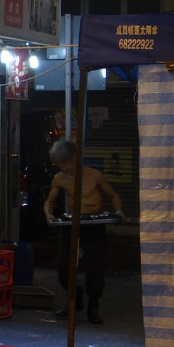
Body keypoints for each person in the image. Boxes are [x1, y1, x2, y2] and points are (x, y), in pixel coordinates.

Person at [44, 139, 122, 325]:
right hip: (73, 225)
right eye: (59, 163)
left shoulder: (94, 175)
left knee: (95, 268)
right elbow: (49, 201)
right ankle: (74, 296)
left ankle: (93, 306)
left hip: (94, 225)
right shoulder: (60, 179)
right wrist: (48, 215)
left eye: (65, 162)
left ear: (74, 159)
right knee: (63, 266)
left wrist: (118, 211)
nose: (62, 167)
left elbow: (113, 195)